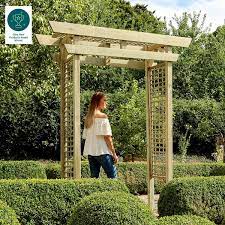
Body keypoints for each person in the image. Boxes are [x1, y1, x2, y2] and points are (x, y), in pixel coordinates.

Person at [82, 92, 118, 179]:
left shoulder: (88, 118)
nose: (106, 102)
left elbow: (86, 137)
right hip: (103, 152)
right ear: (98, 102)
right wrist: (114, 153)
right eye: (104, 100)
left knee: (94, 179)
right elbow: (107, 137)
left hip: (91, 153)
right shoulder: (103, 117)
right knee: (113, 178)